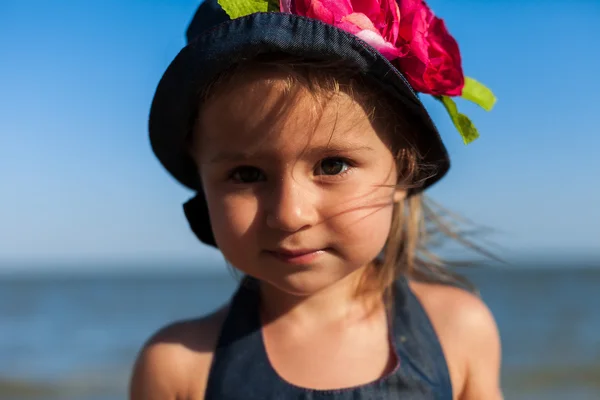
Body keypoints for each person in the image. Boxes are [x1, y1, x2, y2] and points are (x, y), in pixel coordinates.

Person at [130, 0, 503, 398]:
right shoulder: (179, 367)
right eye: (247, 175)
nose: (290, 215)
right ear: (203, 182)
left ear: (403, 170)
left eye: (332, 165)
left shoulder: (458, 332)